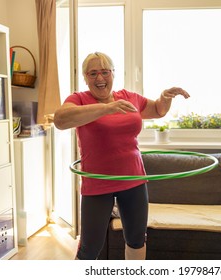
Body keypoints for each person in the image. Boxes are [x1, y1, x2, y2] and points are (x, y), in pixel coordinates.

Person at [54, 52, 190, 260]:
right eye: (93, 73)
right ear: (85, 77)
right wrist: (106, 108)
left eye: (105, 72)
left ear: (112, 74)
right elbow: (61, 120)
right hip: (98, 182)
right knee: (90, 247)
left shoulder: (128, 97)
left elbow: (157, 110)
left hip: (133, 178)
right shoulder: (79, 99)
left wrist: (164, 97)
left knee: (137, 240)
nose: (100, 78)